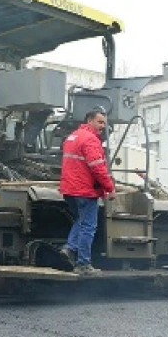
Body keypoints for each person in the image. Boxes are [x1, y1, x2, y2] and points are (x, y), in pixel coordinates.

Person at [59, 108, 116, 276]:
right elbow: (97, 168)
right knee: (88, 226)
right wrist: (110, 188)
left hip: (69, 189)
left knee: (81, 220)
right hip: (85, 190)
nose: (102, 126)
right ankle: (83, 263)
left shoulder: (72, 137)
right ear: (90, 120)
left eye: (104, 123)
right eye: (100, 122)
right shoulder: (91, 140)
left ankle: (69, 248)